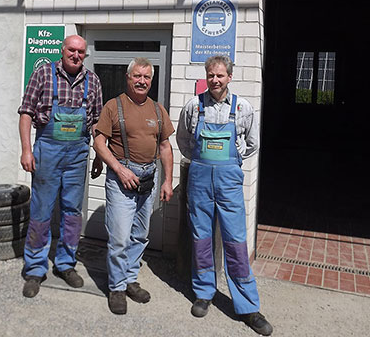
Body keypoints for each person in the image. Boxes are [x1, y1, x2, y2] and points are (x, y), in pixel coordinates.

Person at [176, 55, 273, 335]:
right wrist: (200, 159)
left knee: (235, 243)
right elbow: (183, 140)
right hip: (200, 182)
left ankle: (248, 307)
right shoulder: (194, 106)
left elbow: (253, 143)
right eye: (211, 75)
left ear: (230, 76)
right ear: (206, 77)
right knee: (201, 238)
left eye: (220, 75)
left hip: (229, 182)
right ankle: (204, 292)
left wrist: (234, 158)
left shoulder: (243, 108)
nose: (215, 80)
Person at [18, 35, 103, 298]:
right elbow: (26, 112)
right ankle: (35, 268)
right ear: (62, 50)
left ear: (84, 55)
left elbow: (98, 122)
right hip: (47, 151)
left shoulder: (93, 81)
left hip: (77, 154)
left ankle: (66, 263)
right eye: (71, 50)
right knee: (41, 210)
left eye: (80, 52)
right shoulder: (44, 73)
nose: (76, 55)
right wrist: (26, 149)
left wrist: (99, 156)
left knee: (72, 212)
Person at [93, 57, 174, 315]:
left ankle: (129, 280)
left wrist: (168, 180)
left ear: (151, 80)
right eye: (137, 76)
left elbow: (165, 147)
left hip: (147, 181)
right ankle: (116, 287)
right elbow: (99, 143)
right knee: (119, 237)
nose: (141, 81)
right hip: (121, 180)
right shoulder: (112, 107)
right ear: (128, 78)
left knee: (140, 235)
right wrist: (118, 168)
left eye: (146, 77)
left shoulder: (158, 110)